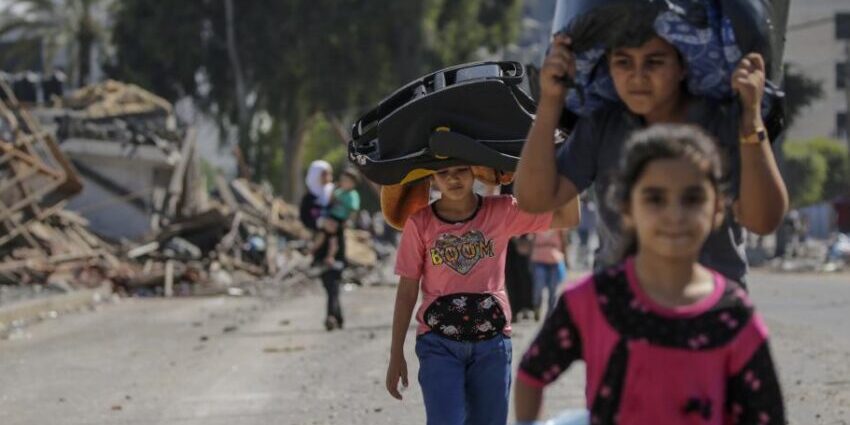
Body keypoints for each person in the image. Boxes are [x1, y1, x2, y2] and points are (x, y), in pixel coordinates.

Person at [514, 124, 785, 424]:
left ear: (718, 209)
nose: (674, 215)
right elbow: (532, 374)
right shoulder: (594, 300)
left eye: (693, 198)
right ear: (626, 208)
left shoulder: (733, 316)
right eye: (655, 198)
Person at [515, 27, 788, 285]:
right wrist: (551, 101)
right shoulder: (603, 125)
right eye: (624, 62)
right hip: (620, 301)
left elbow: (763, 220)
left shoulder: (722, 122)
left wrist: (751, 119)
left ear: (682, 65)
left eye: (654, 62)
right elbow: (535, 199)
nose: (638, 76)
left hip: (710, 303)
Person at [385, 165, 579, 425]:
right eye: (443, 173)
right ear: (431, 177)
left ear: (476, 171)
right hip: (438, 344)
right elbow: (407, 291)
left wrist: (567, 162)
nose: (453, 178)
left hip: (492, 344)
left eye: (461, 169)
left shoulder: (502, 211)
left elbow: (568, 217)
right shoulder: (419, 223)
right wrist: (396, 353)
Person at [300, 160, 347, 331]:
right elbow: (305, 218)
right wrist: (320, 223)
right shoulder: (309, 199)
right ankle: (336, 316)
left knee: (334, 280)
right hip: (319, 246)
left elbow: (347, 212)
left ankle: (332, 316)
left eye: (329, 173)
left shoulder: (336, 194)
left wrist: (336, 224)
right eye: (324, 174)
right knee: (329, 282)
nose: (328, 177)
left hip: (336, 245)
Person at [311, 169, 361, 271]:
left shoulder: (353, 195)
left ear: (353, 183)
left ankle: (331, 258)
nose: (343, 182)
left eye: (346, 181)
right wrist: (333, 190)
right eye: (342, 180)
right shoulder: (339, 192)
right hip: (331, 216)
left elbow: (354, 210)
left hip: (340, 220)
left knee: (334, 240)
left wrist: (349, 221)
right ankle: (313, 251)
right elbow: (331, 201)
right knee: (322, 235)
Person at [530, 228, 569, 321]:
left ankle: (551, 314)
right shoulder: (536, 224)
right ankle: (537, 307)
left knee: (553, 289)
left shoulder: (560, 227)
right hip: (539, 260)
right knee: (538, 287)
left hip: (555, 261)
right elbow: (531, 241)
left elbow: (564, 243)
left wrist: (566, 260)